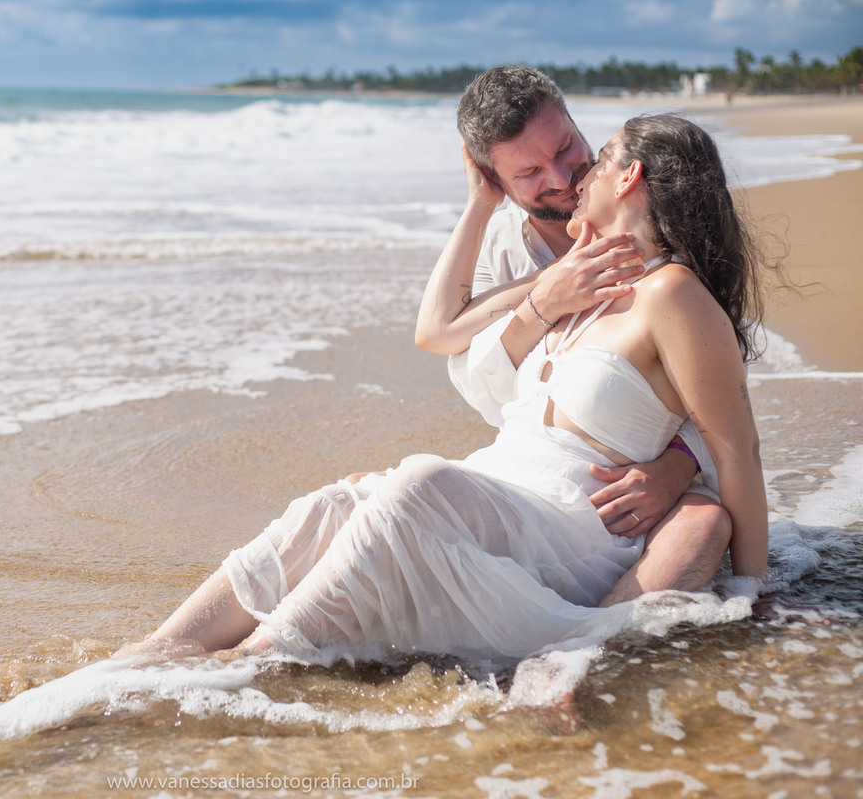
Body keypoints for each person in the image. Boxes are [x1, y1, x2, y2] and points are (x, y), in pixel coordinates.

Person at [122, 112, 768, 663]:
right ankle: (151, 655)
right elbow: (435, 331)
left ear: (629, 177)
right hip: (508, 495)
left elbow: (736, 449)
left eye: (594, 159)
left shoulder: (673, 294)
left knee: (417, 486)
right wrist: (535, 290)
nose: (576, 178)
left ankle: (239, 668)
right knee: (338, 503)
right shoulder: (574, 283)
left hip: (573, 532)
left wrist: (753, 591)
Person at [417, 66, 731, 608]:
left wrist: (678, 464)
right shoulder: (503, 254)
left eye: (566, 147)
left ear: (575, 124)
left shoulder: (649, 208)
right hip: (542, 471)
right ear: (498, 180)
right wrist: (543, 299)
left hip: (646, 468)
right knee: (386, 495)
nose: (562, 178)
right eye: (530, 172)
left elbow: (725, 383)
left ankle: (590, 648)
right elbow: (456, 354)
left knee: (704, 524)